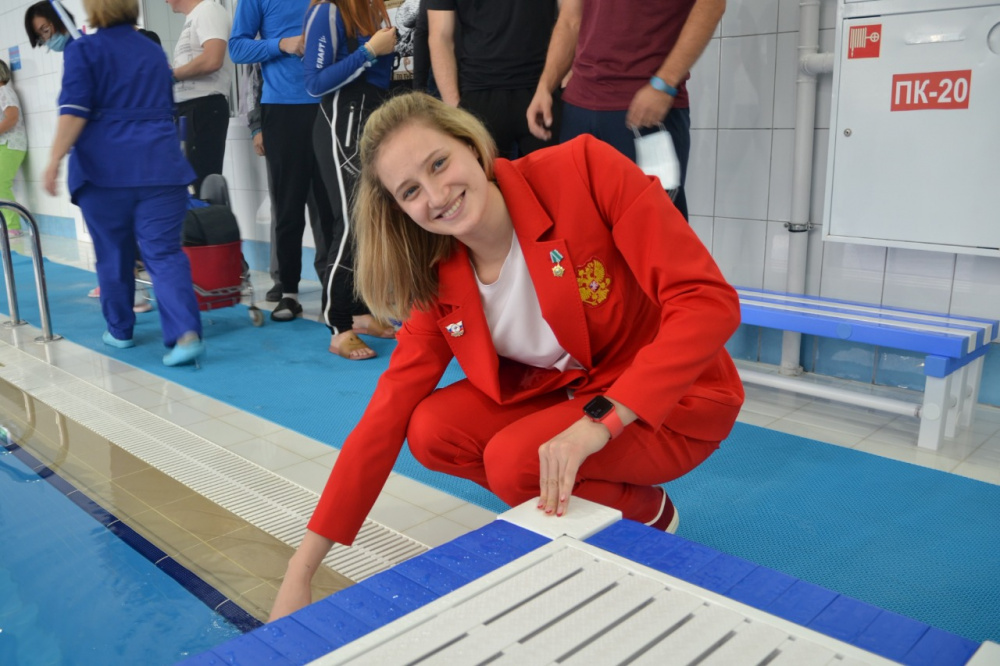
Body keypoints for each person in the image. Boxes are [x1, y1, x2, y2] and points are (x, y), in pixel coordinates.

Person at [269, 92, 744, 619]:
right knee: (431, 430)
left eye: (439, 163)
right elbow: (385, 416)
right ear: (400, 210)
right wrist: (301, 571)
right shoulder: (437, 275)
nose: (437, 195)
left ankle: (648, 515)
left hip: (674, 399)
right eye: (411, 191)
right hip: (570, 390)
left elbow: (707, 301)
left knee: (515, 461)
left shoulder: (582, 172)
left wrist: (599, 423)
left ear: (471, 146)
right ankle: (596, 503)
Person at [43, 0, 205, 367]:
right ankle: (186, 334)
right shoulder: (151, 49)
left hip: (105, 172)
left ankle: (120, 331)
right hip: (161, 167)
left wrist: (53, 159)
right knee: (164, 254)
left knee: (114, 254)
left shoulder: (83, 50)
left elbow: (74, 111)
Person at [526, 0, 726, 221]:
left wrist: (665, 82)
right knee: (579, 227)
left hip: (645, 112)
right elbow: (570, 19)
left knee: (653, 229)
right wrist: (545, 86)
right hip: (579, 111)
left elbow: (712, 5)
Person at [229, 0, 337, 322]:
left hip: (329, 102)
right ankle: (289, 292)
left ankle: (338, 290)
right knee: (288, 207)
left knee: (333, 208)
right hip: (283, 108)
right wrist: (282, 44)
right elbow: (237, 49)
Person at [303, 0, 397, 360]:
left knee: (371, 221)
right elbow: (315, 82)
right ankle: (339, 323)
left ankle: (359, 311)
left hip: (372, 114)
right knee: (352, 223)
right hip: (344, 118)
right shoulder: (329, 9)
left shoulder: (369, 9)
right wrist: (370, 51)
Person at [427, 0, 558, 159]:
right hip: (478, 94)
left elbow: (569, 18)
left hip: (542, 91)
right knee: (484, 174)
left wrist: (555, 82)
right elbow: (440, 37)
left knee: (553, 172)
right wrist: (455, 109)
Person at [167, 0, 233, 196]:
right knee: (191, 186)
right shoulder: (194, 17)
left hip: (204, 107)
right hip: (189, 110)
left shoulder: (208, 9)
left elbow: (213, 59)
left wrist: (172, 75)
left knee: (201, 185)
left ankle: (208, 215)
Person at [0, 61, 28, 238]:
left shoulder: (4, 91)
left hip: (11, 144)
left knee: (1, 183)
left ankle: (12, 227)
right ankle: (6, 223)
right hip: (4, 144)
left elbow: (12, 118)